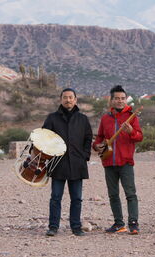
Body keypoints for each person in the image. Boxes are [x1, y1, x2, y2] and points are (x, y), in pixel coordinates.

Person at [93, 85, 143, 235]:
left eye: (122, 98)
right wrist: (97, 146)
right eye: (117, 98)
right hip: (108, 162)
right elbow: (100, 137)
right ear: (111, 100)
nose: (120, 101)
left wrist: (131, 131)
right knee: (113, 194)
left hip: (126, 162)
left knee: (130, 193)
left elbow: (139, 137)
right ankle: (118, 223)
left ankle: (133, 223)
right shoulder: (105, 118)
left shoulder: (132, 116)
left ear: (125, 99)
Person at [43, 88, 93, 237]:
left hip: (77, 164)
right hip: (57, 164)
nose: (68, 100)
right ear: (61, 100)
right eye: (65, 97)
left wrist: (85, 156)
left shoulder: (83, 119)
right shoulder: (52, 118)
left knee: (76, 198)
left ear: (76, 100)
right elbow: (44, 137)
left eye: (71, 97)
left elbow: (88, 138)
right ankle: (53, 227)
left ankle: (76, 227)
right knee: (56, 197)